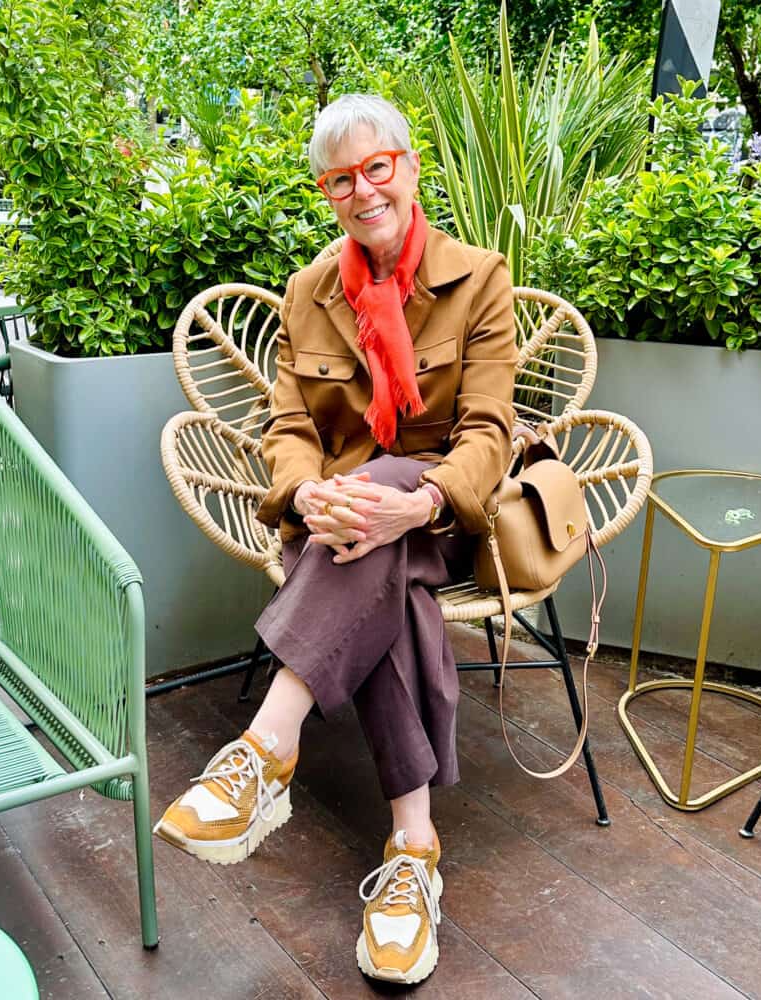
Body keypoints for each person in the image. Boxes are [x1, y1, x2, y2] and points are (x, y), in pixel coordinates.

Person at [154, 93, 517, 985]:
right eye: (341, 180)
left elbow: (489, 435)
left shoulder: (481, 278)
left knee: (385, 489)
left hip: (442, 520)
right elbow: (287, 429)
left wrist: (418, 498)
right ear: (329, 193)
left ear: (410, 167)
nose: (363, 191)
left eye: (377, 168)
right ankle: (413, 855)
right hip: (339, 534)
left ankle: (266, 748)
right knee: (379, 560)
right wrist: (307, 491)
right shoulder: (312, 291)